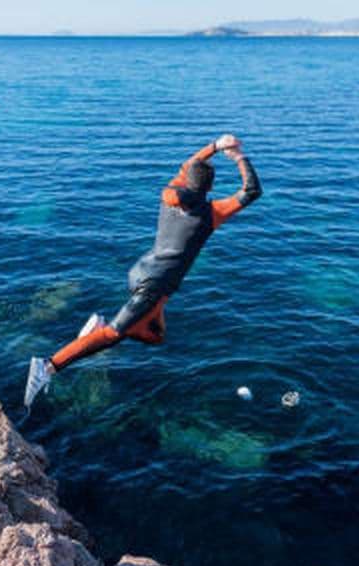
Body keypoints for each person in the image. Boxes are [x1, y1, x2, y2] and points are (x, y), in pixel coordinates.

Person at [24, 134, 262, 410]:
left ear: (187, 180)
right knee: (113, 335)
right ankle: (48, 366)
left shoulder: (169, 195)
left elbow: (189, 165)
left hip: (142, 272)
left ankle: (97, 330)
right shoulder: (211, 213)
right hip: (154, 285)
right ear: (209, 188)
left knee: (156, 335)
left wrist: (215, 147)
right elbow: (251, 191)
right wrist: (238, 157)